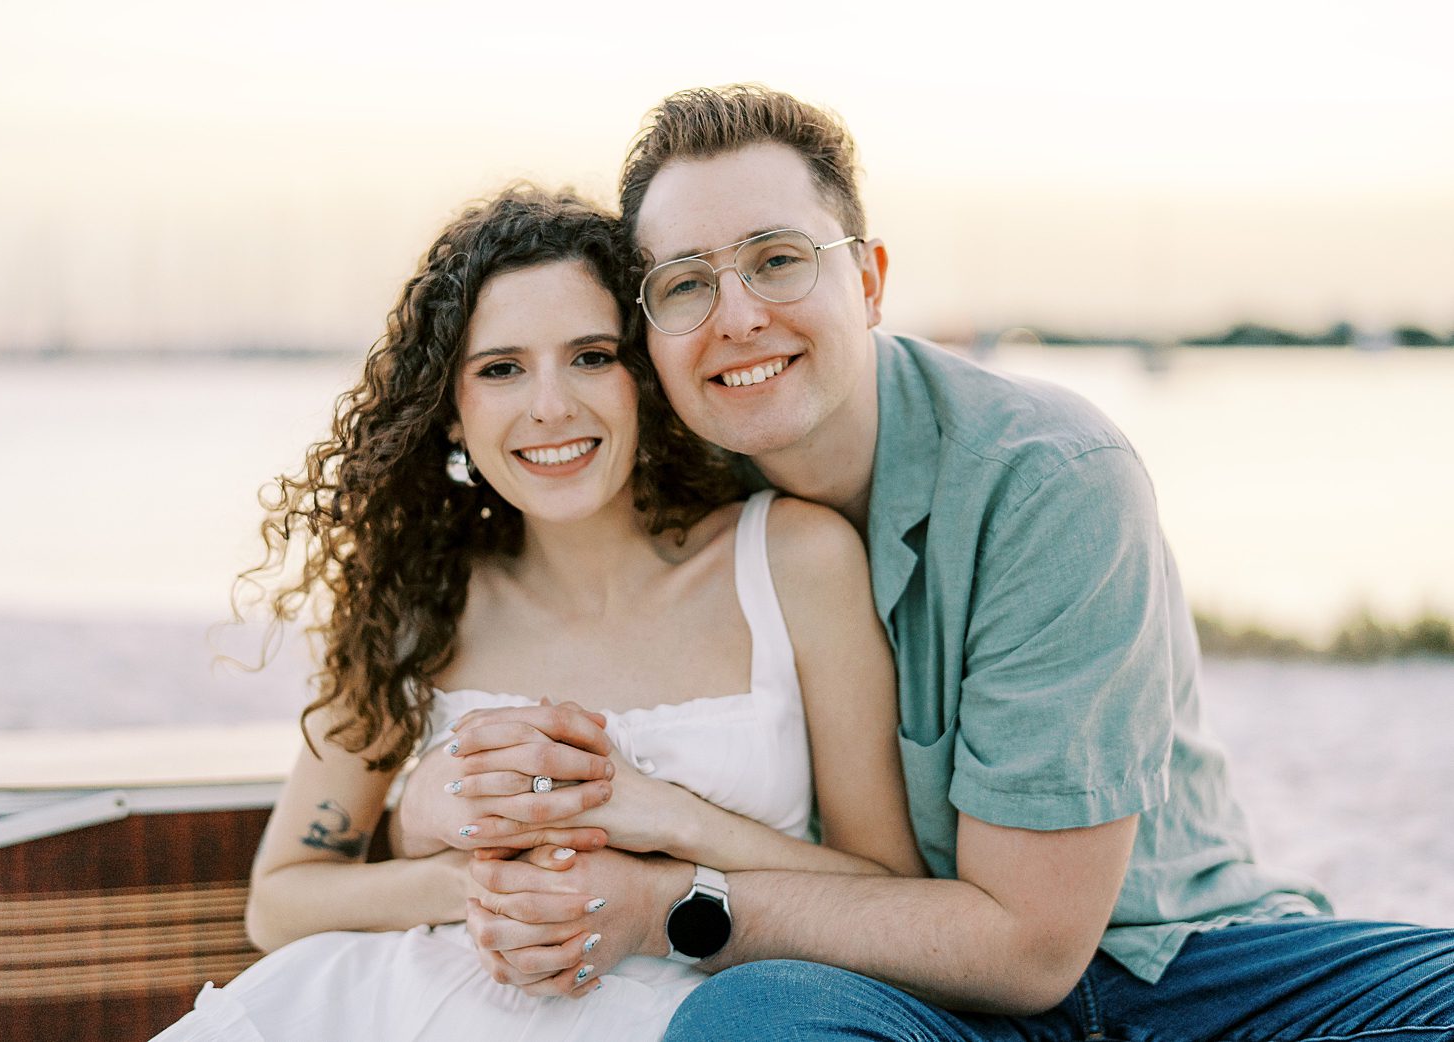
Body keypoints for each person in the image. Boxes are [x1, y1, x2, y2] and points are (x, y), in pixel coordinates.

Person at [395, 87, 1454, 1040]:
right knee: (745, 1024)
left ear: (869, 279)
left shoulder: (1049, 481)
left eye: (778, 259)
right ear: (651, 332)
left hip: (1174, 962)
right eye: (684, 284)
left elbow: (1036, 951)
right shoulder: (667, 484)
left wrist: (666, 900)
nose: (739, 317)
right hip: (884, 988)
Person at [153, 185, 924, 1041]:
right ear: (451, 411)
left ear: (644, 378)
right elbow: (281, 900)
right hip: (399, 1003)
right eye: (501, 368)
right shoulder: (422, 598)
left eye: (591, 356)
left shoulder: (792, 561)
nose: (551, 406)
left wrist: (670, 822)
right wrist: (481, 881)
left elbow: (889, 895)